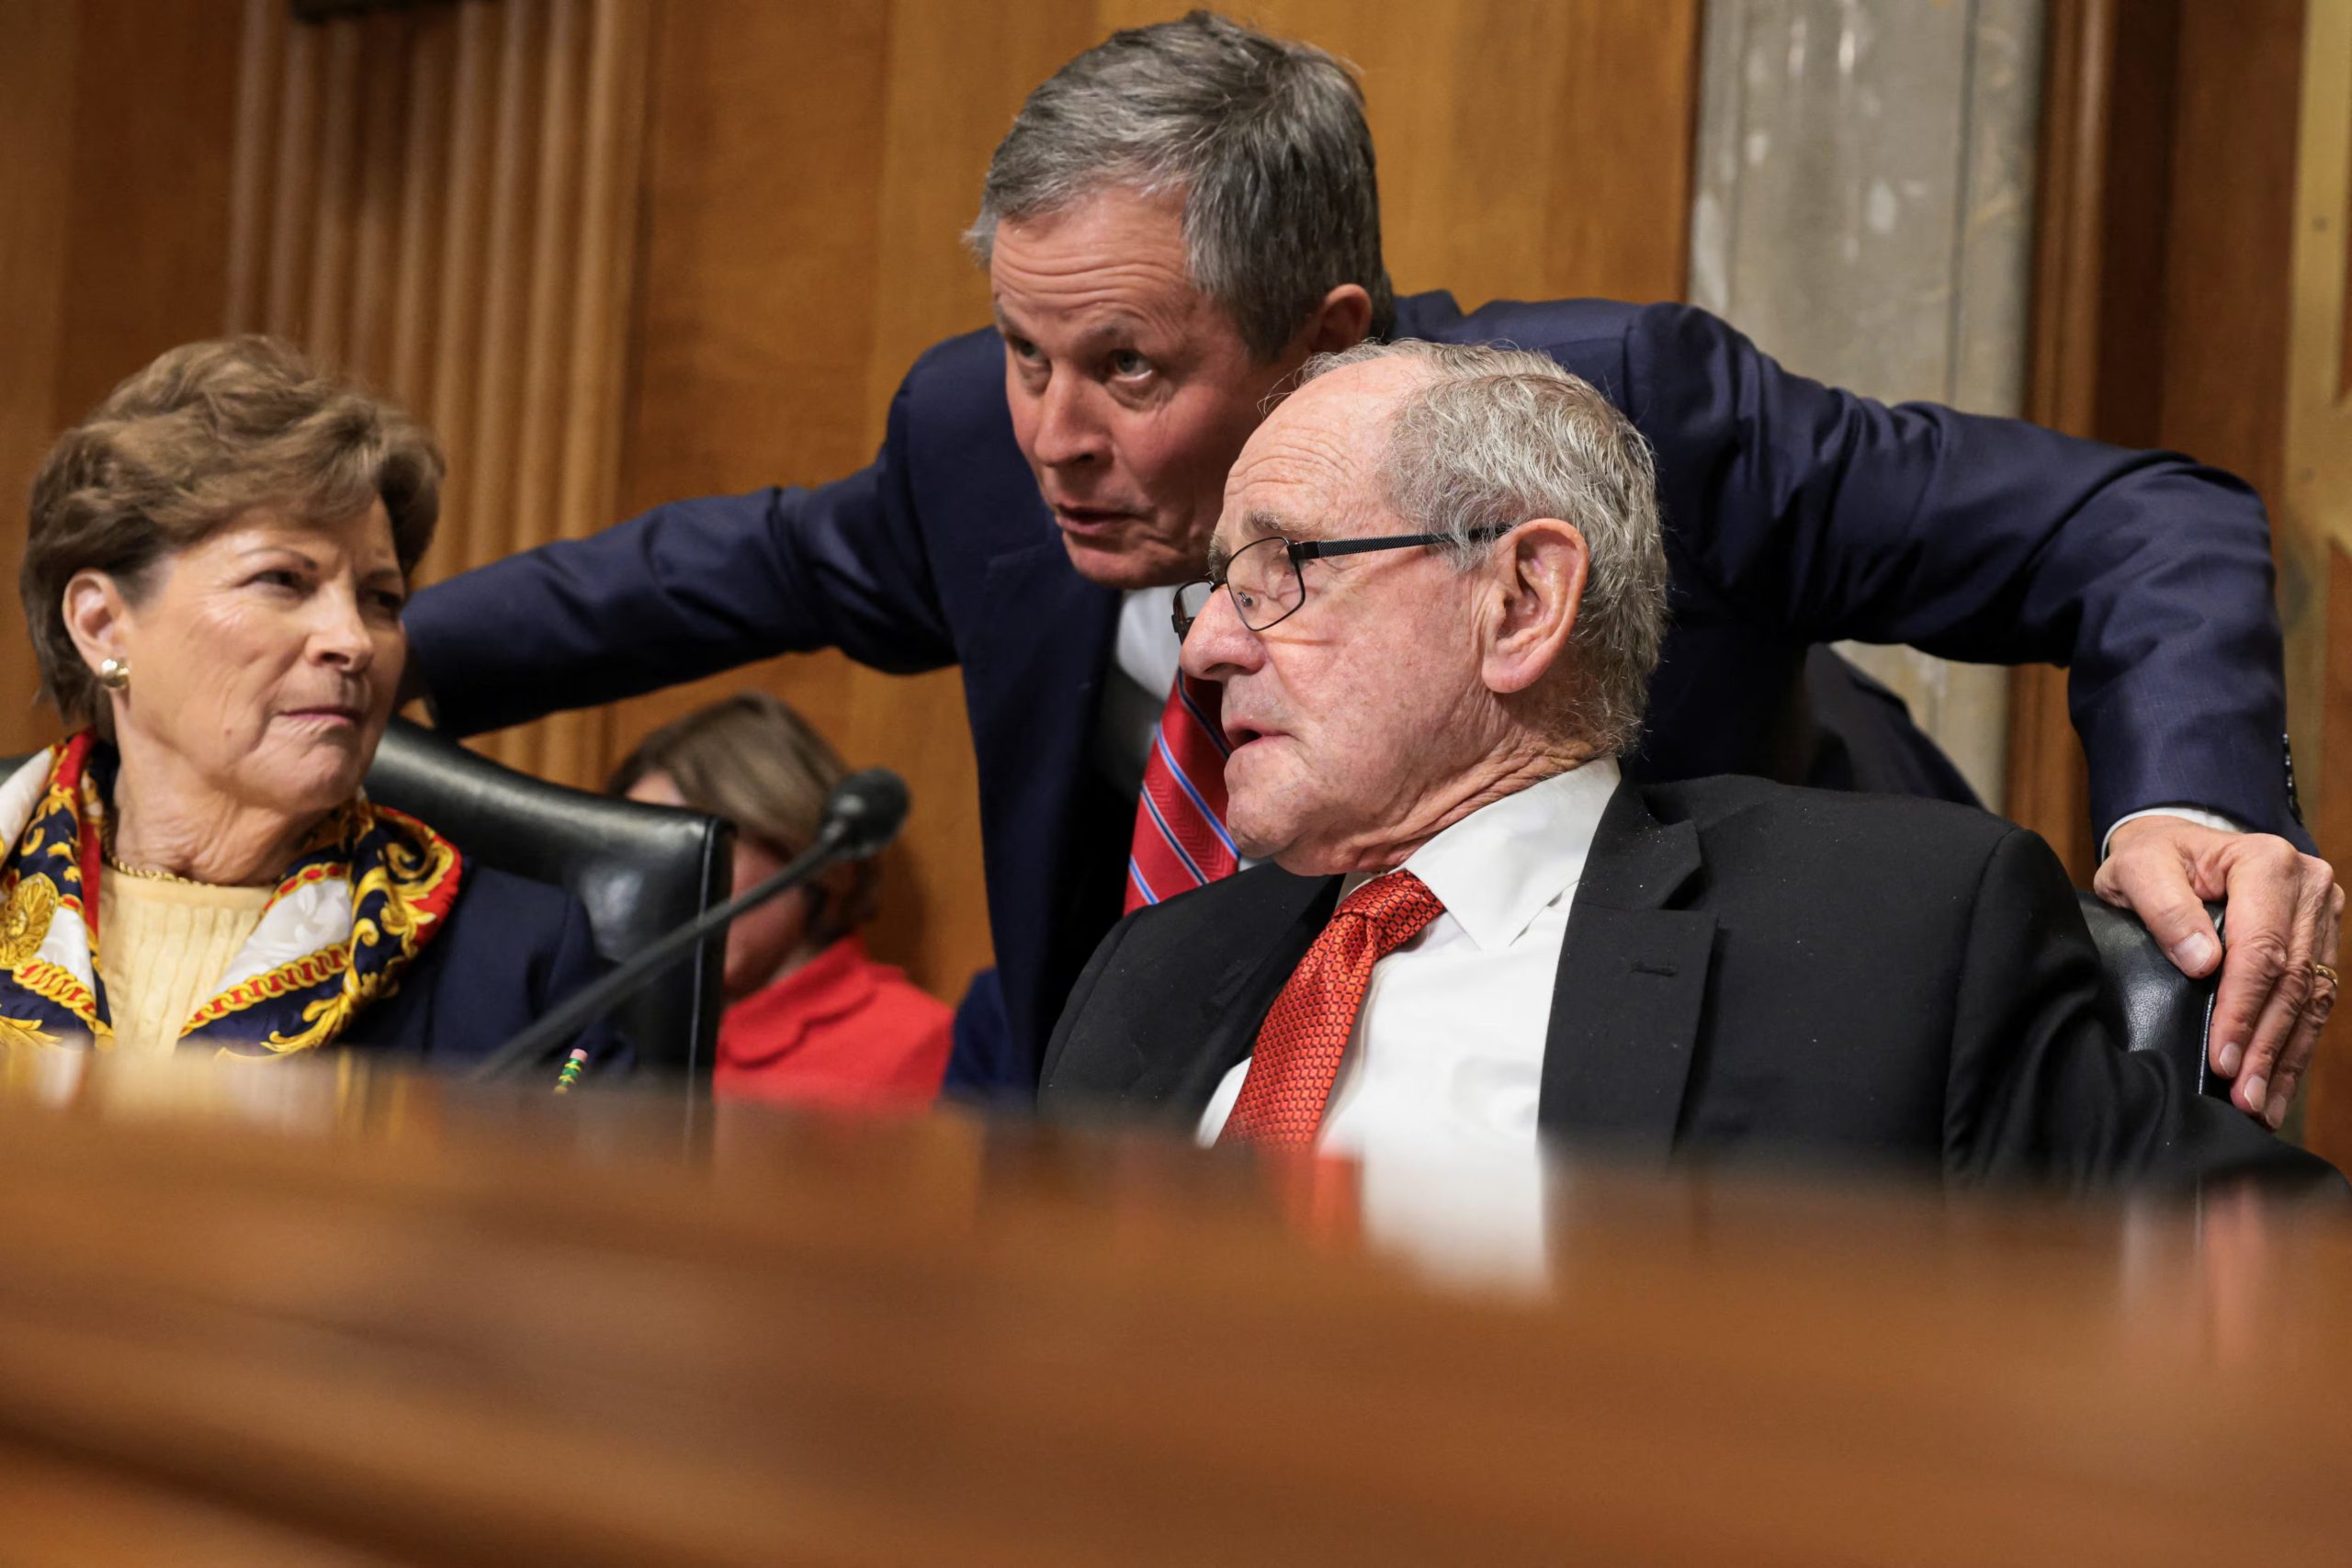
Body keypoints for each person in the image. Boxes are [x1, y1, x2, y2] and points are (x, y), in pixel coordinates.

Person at [401, 12, 2339, 1117]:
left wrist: (2187, 792)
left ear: (1324, 340)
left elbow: (2127, 519)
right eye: (1020, 348)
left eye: (1130, 370)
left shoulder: (1620, 416)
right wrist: (379, 661)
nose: (1052, 433)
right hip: (1156, 1137)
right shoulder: (979, 454)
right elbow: (698, 574)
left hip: (1677, 1107)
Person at [1038, 341, 2337, 1192]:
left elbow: (2271, 1300)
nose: (1205, 645)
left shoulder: (1893, 939)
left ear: (1521, 599)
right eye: (1214, 587)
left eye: (1285, 570)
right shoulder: (1149, 973)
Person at [1, 337, 606, 1066]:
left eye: (381, 599)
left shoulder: (516, 963)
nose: (353, 640)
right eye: (283, 580)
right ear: (103, 623)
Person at [608, 693, 951, 1110]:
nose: (660, 893)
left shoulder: (915, 1043)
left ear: (807, 853)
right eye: (641, 862)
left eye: (699, 858)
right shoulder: (609, 1026)